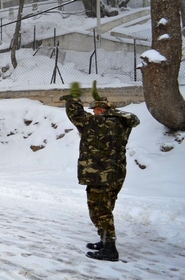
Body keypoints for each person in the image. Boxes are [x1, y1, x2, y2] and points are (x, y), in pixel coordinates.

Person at [60, 81, 140, 262]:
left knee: (99, 212)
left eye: (97, 109)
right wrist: (104, 104)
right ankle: (105, 241)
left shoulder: (95, 123)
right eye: (94, 109)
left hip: (100, 176)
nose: (94, 111)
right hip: (116, 175)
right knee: (106, 209)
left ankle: (110, 250)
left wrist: (73, 97)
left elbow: (76, 114)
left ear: (104, 111)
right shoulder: (121, 123)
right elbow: (132, 117)